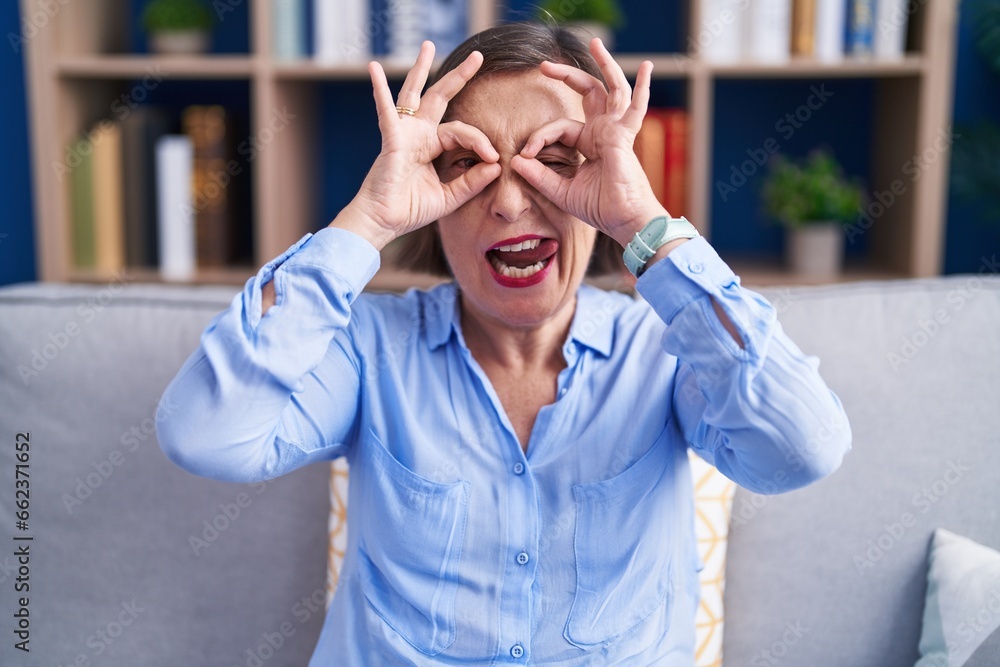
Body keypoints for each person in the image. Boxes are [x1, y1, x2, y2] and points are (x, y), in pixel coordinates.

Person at [157, 22, 851, 665]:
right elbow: (205, 434)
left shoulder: (667, 354)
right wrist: (367, 220)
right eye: (471, 164)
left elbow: (802, 447)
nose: (513, 202)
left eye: (555, 158)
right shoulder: (369, 348)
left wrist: (643, 221)